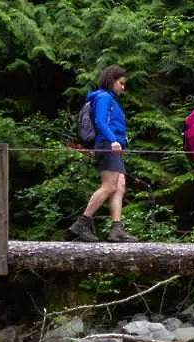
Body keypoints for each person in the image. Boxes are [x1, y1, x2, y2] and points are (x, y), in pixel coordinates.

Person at [68, 65, 138, 242]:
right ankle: (81, 224)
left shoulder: (110, 99)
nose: (123, 87)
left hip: (113, 146)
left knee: (119, 187)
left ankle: (116, 229)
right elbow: (100, 121)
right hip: (108, 145)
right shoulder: (104, 97)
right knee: (109, 186)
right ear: (111, 81)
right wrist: (113, 139)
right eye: (121, 83)